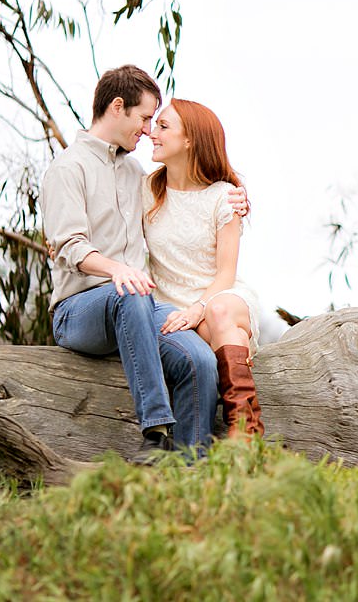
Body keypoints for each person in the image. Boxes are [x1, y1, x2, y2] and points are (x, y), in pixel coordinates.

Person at [41, 65, 246, 461]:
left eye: (155, 121)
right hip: (78, 311)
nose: (148, 128)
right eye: (145, 117)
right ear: (118, 107)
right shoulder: (68, 168)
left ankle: (189, 470)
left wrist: (237, 198)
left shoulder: (136, 174)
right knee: (129, 293)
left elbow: (194, 191)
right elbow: (69, 245)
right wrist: (113, 268)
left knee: (199, 360)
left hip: (138, 307)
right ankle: (156, 431)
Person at [147, 99, 265, 438]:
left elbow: (225, 276)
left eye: (163, 126)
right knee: (215, 328)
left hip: (220, 298)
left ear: (190, 140)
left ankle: (243, 430)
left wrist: (198, 308)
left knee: (219, 311)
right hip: (173, 309)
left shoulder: (224, 197)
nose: (152, 134)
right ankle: (246, 427)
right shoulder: (146, 191)